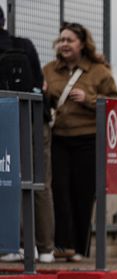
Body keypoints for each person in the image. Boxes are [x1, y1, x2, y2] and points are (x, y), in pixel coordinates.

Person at [43, 22, 117, 262]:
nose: (64, 44)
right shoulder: (49, 70)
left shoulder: (99, 72)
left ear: (83, 44)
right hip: (59, 138)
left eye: (70, 40)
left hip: (88, 139)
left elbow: (115, 104)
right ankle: (64, 245)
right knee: (59, 190)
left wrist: (90, 99)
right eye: (62, 39)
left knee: (83, 193)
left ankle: (80, 248)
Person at [0, 5, 55, 264]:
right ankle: (45, 249)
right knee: (40, 182)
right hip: (36, 119)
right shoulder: (25, 45)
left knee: (10, 181)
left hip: (8, 122)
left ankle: (18, 244)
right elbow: (40, 82)